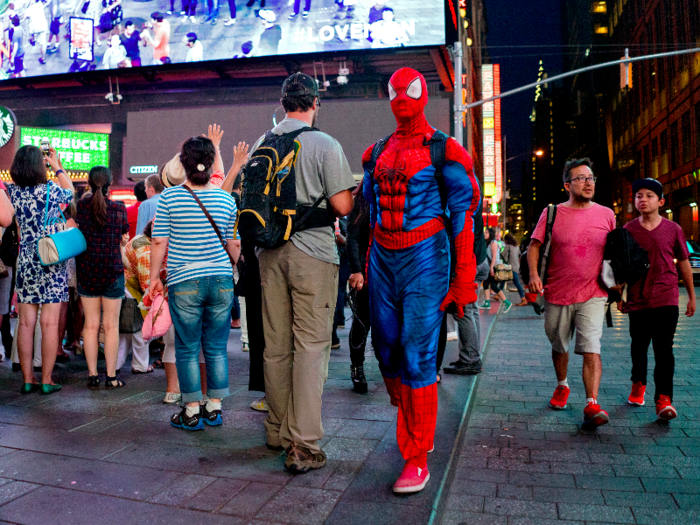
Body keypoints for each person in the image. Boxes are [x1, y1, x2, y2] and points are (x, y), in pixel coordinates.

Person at [363, 68, 480, 493]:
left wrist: (464, 281)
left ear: (423, 94)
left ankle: (416, 456)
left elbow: (464, 219)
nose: (401, 98)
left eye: (409, 90)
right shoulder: (374, 153)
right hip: (382, 258)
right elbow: (365, 215)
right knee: (387, 349)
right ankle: (409, 407)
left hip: (426, 257)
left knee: (417, 354)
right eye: (395, 91)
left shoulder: (445, 151)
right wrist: (360, 264)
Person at [255, 72, 354, 471]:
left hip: (268, 253)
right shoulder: (325, 144)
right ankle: (305, 445)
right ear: (315, 103)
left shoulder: (265, 142)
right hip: (312, 251)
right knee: (311, 347)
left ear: (282, 103)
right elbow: (343, 206)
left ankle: (277, 430)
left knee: (276, 346)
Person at [149, 136, 239, 431]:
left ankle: (190, 411)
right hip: (221, 280)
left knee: (187, 348)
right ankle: (214, 408)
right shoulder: (227, 199)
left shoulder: (169, 198)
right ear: (211, 163)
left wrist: (153, 279)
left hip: (184, 280)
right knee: (216, 346)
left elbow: (159, 240)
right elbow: (233, 245)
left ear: (183, 164)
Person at [528, 158, 615, 427]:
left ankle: (592, 403)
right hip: (557, 291)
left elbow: (614, 253)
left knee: (591, 348)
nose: (588, 182)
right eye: (581, 178)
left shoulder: (606, 214)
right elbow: (534, 246)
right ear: (567, 184)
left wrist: (618, 286)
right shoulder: (552, 213)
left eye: (591, 178)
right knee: (559, 343)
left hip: (594, 292)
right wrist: (533, 275)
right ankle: (562, 385)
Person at [622, 178, 696, 420]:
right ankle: (638, 383)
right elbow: (622, 266)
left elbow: (684, 262)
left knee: (664, 349)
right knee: (638, 347)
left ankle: (664, 399)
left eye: (649, 195)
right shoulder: (628, 230)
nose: (642, 199)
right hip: (637, 299)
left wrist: (691, 296)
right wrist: (621, 295)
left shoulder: (674, 229)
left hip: (666, 298)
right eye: (638, 195)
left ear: (661, 201)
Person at [8, 146, 73, 395]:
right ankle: (46, 379)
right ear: (40, 166)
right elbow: (70, 193)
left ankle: (28, 378)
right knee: (49, 323)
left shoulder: (11, 192)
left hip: (25, 260)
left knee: (25, 323)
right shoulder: (49, 190)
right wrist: (56, 165)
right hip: (50, 259)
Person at [76, 166, 129, 389]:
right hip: (112, 272)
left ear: (89, 183)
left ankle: (92, 376)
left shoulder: (82, 207)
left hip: (87, 272)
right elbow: (124, 237)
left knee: (90, 325)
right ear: (109, 184)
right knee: (111, 326)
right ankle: (111, 377)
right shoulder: (119, 209)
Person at [443, 179, 488, 376]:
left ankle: (470, 359)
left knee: (464, 309)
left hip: (469, 262)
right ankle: (471, 356)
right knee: (471, 308)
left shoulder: (461, 197)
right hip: (479, 259)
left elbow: (460, 233)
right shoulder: (471, 192)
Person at [347, 181, 370, 393]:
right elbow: (352, 238)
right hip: (366, 269)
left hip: (389, 270)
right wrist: (357, 269)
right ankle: (357, 367)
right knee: (362, 321)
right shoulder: (361, 203)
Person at [478, 228, 512, 311]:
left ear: (490, 234)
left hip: (494, 266)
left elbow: (494, 257)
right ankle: (487, 302)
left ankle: (506, 302)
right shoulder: (487, 243)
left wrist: (491, 268)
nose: (484, 234)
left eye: (486, 232)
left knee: (493, 285)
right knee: (485, 283)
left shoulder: (493, 243)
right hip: (490, 266)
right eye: (484, 232)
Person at [503, 233, 527, 307]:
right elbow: (518, 255)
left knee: (517, 283)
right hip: (516, 266)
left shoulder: (508, 246)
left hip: (511, 267)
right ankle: (498, 294)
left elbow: (503, 254)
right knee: (502, 281)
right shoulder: (516, 246)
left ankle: (523, 299)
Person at [25, 0, 48, 64]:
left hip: (35, 27)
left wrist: (28, 5)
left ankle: (32, 39)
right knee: (43, 43)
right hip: (43, 26)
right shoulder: (40, 4)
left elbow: (25, 16)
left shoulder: (30, 8)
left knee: (30, 26)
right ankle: (43, 58)